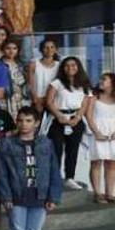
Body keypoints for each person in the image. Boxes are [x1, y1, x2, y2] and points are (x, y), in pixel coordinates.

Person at [0, 107, 64, 230]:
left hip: (39, 195)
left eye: (28, 121)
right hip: (18, 194)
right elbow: (2, 172)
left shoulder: (46, 143)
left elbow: (54, 170)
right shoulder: (7, 144)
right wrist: (6, 195)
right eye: (20, 120)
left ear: (36, 123)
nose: (24, 124)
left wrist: (54, 195)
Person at [45, 57, 92, 190]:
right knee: (56, 150)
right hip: (58, 119)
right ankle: (55, 178)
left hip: (75, 119)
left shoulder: (84, 83)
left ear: (78, 67)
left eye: (73, 65)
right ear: (63, 68)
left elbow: (85, 102)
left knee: (73, 150)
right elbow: (49, 102)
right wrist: (59, 116)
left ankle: (69, 177)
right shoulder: (57, 83)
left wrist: (77, 117)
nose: (70, 68)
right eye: (67, 65)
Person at [87, 73, 115, 203]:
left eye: (104, 79)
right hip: (97, 132)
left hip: (113, 133)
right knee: (96, 162)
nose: (101, 81)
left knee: (111, 164)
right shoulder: (94, 97)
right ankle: (97, 193)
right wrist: (96, 132)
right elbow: (89, 116)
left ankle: (110, 193)